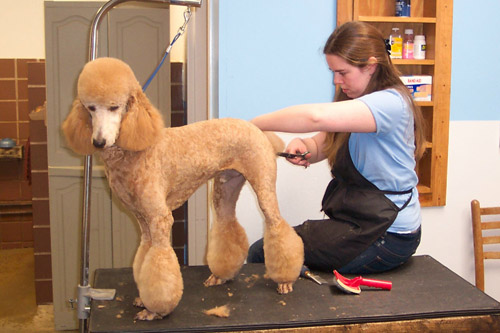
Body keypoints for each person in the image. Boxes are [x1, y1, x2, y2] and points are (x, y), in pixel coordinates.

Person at [247, 21, 425, 274]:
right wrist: (306, 146)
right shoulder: (357, 100)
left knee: (263, 253)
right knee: (266, 251)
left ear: (371, 66)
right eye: (333, 72)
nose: (336, 80)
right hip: (362, 222)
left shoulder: (390, 103)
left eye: (342, 72)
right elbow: (325, 142)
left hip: (390, 234)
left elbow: (315, 117)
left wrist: (249, 126)